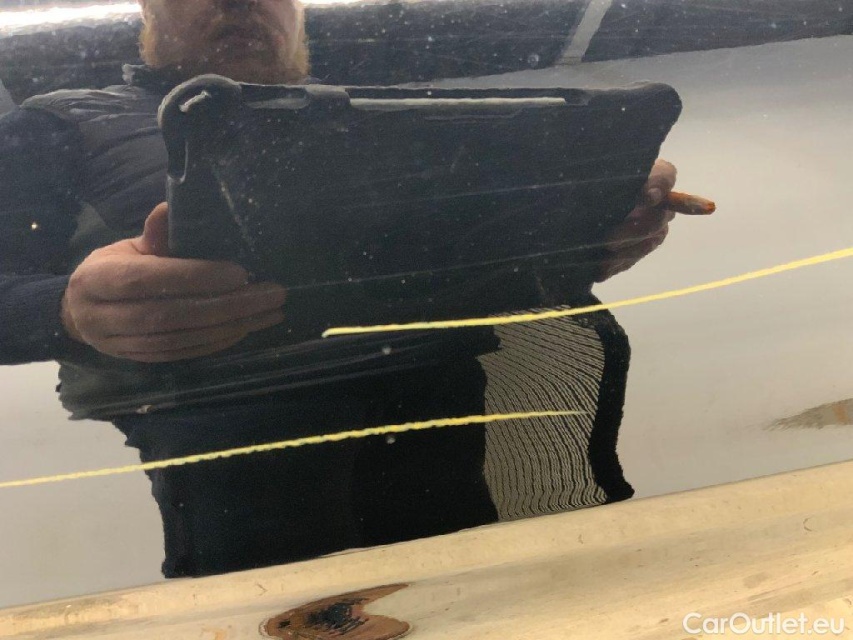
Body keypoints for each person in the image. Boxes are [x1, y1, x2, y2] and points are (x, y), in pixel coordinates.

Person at [0, 0, 677, 578]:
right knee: (270, 610)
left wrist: (586, 230)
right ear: (147, 10)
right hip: (233, 431)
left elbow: (463, 255)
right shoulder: (54, 124)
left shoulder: (379, 113)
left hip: (436, 397)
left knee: (464, 599)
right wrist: (67, 311)